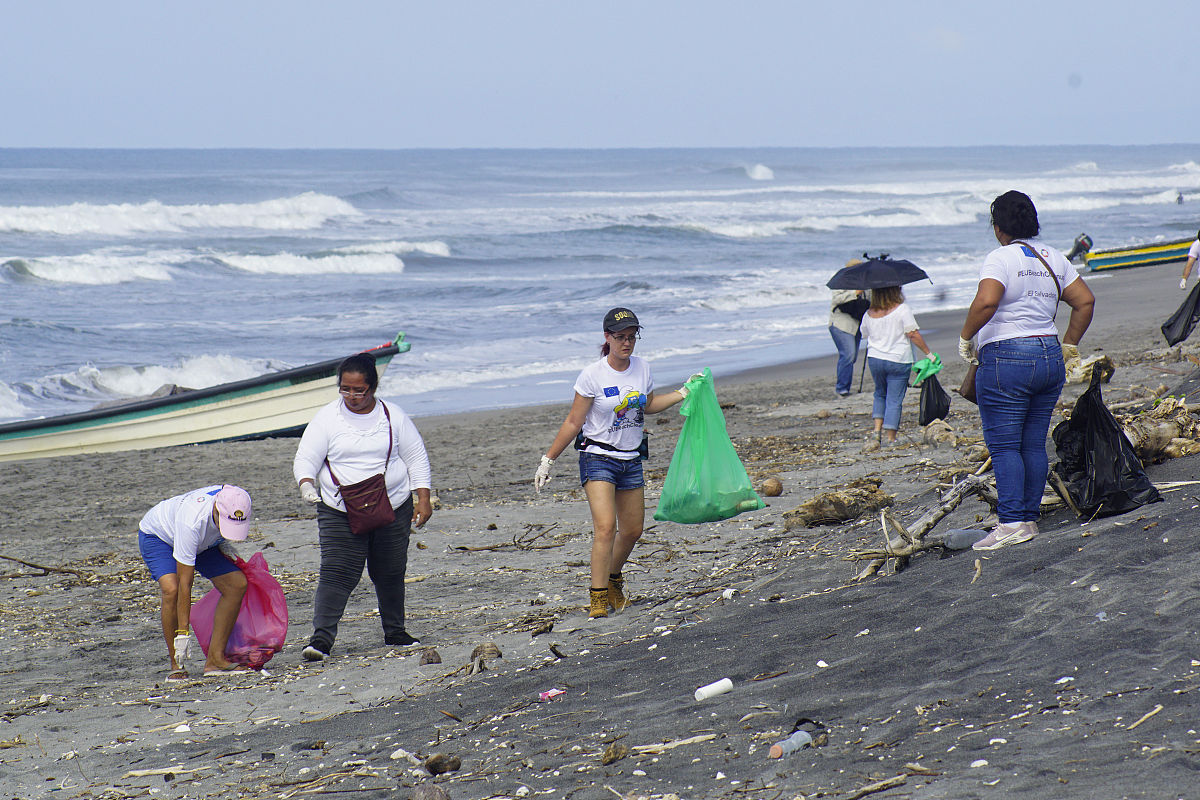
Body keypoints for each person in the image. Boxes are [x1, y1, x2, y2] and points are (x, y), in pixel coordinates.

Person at [533, 307, 695, 619]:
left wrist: (683, 392)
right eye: (620, 337)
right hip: (598, 458)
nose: (627, 343)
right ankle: (597, 600)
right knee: (606, 527)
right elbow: (572, 421)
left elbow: (647, 406)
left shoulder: (642, 368)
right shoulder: (592, 375)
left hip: (631, 459)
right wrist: (547, 461)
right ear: (607, 338)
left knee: (633, 530)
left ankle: (613, 580)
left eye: (632, 337)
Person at [959, 190, 1095, 551]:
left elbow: (987, 300)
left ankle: (1011, 522)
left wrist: (965, 336)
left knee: (1004, 446)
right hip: (1049, 355)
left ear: (998, 226)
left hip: (1007, 358)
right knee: (1033, 443)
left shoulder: (1000, 258)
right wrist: (1069, 343)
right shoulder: (1053, 257)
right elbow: (1085, 301)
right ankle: (1027, 517)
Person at [293, 351, 433, 660]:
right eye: (346, 389)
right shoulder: (327, 418)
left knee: (390, 571)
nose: (352, 396)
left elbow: (416, 457)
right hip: (339, 508)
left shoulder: (393, 416)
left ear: (373, 387)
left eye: (359, 390)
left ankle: (395, 633)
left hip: (392, 505)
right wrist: (306, 484)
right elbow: (306, 457)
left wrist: (423, 497)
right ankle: (321, 641)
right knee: (337, 572)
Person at [138, 484, 252, 681]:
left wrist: (222, 541)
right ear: (216, 509)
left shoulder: (238, 500)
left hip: (203, 541)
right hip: (160, 537)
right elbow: (185, 583)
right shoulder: (192, 522)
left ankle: (215, 660)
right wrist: (183, 633)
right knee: (171, 588)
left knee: (236, 584)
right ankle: (176, 663)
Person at [858, 285, 932, 445]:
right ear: (895, 291)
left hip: (875, 358)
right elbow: (912, 333)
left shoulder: (869, 313)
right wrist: (928, 353)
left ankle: (876, 431)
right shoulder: (902, 309)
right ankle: (891, 437)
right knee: (894, 398)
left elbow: (864, 334)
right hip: (899, 358)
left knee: (879, 394)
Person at [829, 259, 868, 396]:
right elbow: (836, 299)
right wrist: (855, 293)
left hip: (856, 324)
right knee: (848, 355)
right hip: (841, 324)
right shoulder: (841, 281)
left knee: (852, 357)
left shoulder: (865, 283)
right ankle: (842, 389)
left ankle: (845, 387)